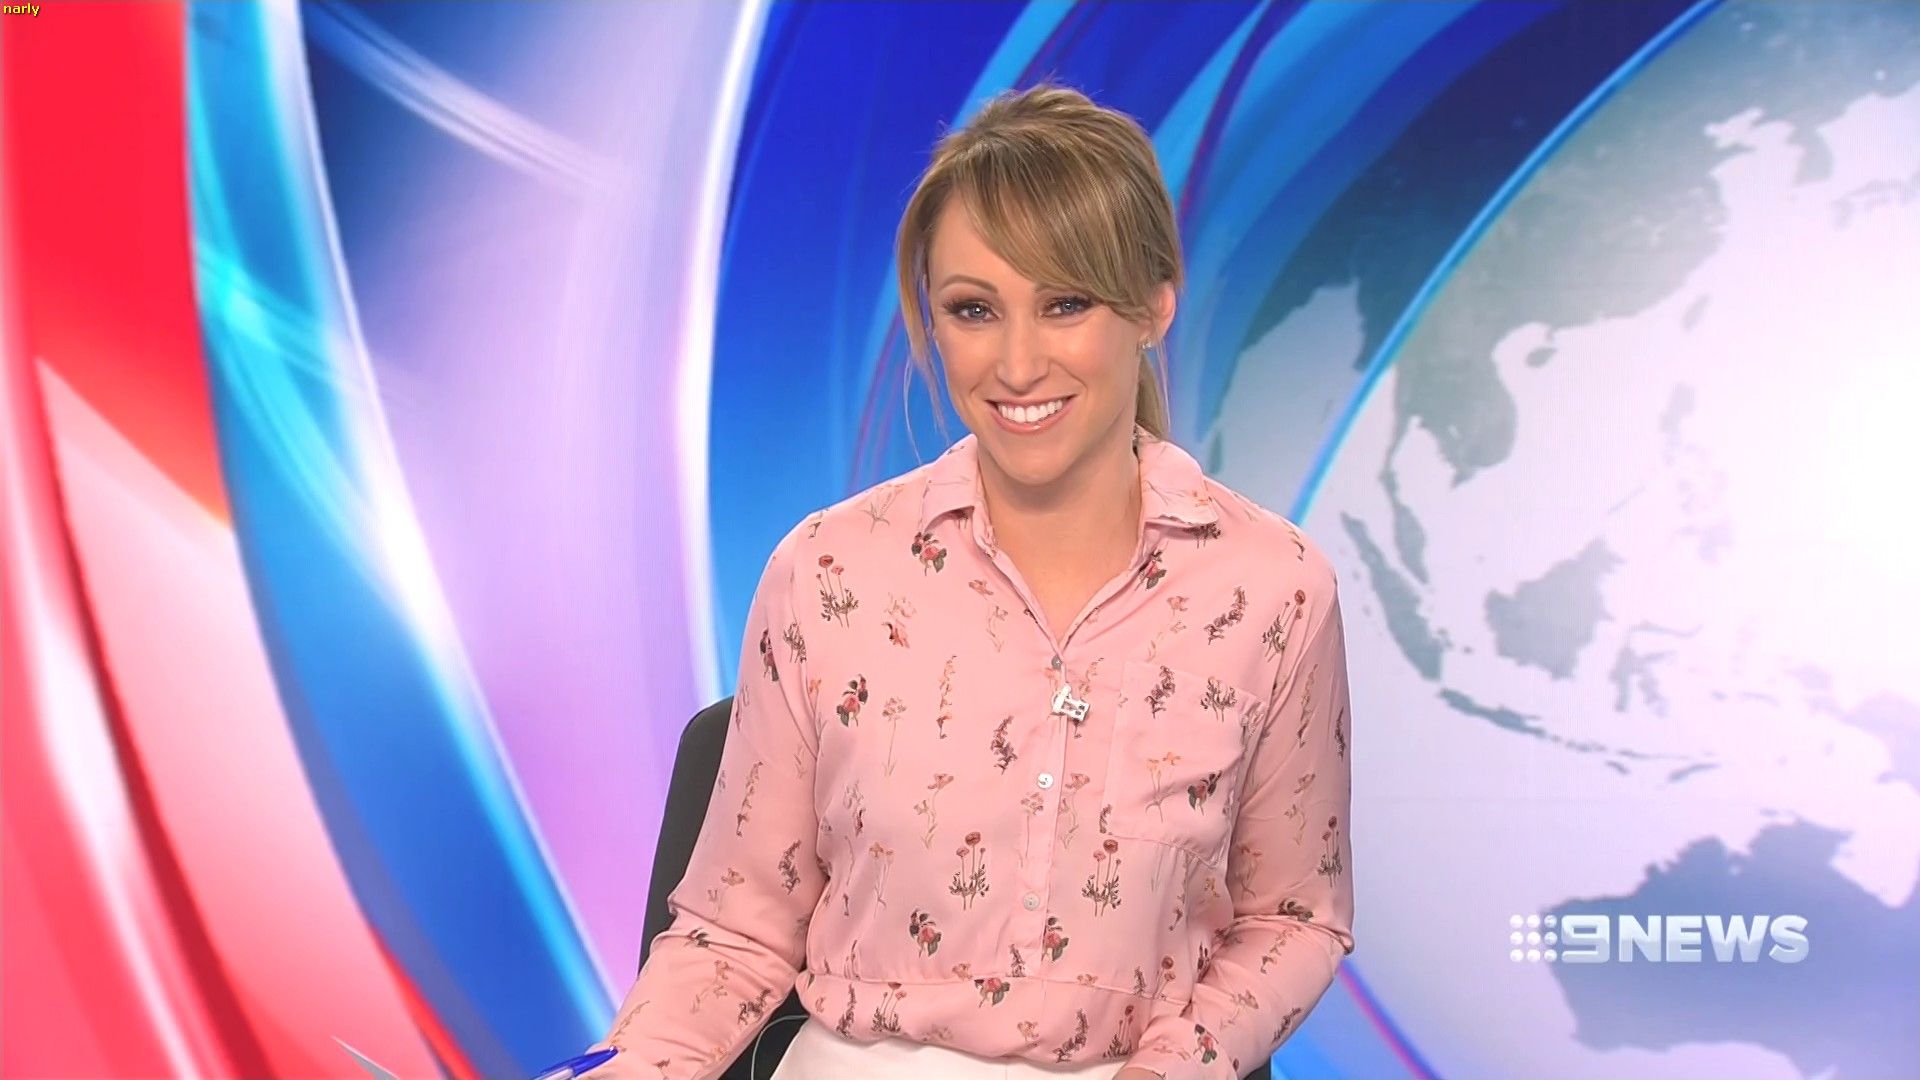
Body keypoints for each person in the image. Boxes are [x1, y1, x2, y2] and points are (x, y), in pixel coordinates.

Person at [581, 81, 1354, 1080]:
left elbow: (1293, 917)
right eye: (974, 310)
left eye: (1065, 304)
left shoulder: (1274, 589)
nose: (1017, 364)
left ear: (1153, 306)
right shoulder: (826, 571)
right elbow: (733, 931)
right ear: (934, 323)